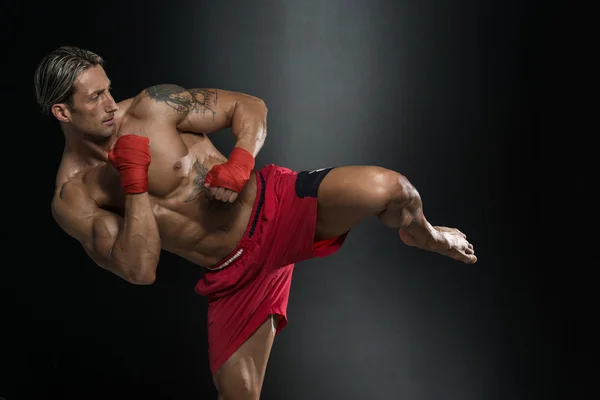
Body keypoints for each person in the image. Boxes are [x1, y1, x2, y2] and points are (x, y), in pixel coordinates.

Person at [35, 46, 477, 400]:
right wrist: (133, 186)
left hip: (274, 207)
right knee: (239, 394)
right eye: (96, 98)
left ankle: (429, 235)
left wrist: (242, 160)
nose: (111, 105)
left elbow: (249, 107)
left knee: (393, 189)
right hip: (234, 276)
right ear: (62, 112)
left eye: (108, 90)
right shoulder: (73, 196)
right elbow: (139, 270)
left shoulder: (153, 108)